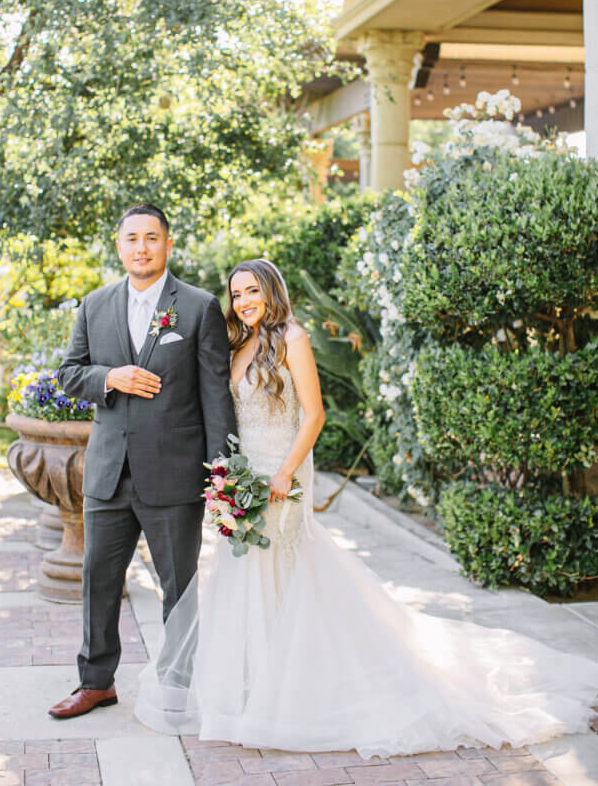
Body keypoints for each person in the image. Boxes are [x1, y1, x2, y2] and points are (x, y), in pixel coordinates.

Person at [135, 257, 598, 757]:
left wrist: (287, 471)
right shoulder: (239, 342)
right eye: (237, 293)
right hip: (244, 474)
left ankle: (289, 688)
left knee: (280, 569)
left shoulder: (292, 338)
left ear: (272, 289)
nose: (244, 301)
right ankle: (252, 685)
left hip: (282, 472)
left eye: (253, 291)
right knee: (244, 570)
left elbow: (314, 415)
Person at [48, 203, 236, 719]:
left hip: (174, 474)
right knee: (99, 580)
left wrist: (222, 476)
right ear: (119, 245)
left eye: (151, 238)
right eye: (132, 238)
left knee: (179, 586)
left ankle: (178, 684)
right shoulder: (94, 304)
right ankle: (95, 682)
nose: (141, 247)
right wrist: (110, 377)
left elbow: (216, 397)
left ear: (167, 245)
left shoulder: (198, 308)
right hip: (108, 474)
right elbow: (68, 373)